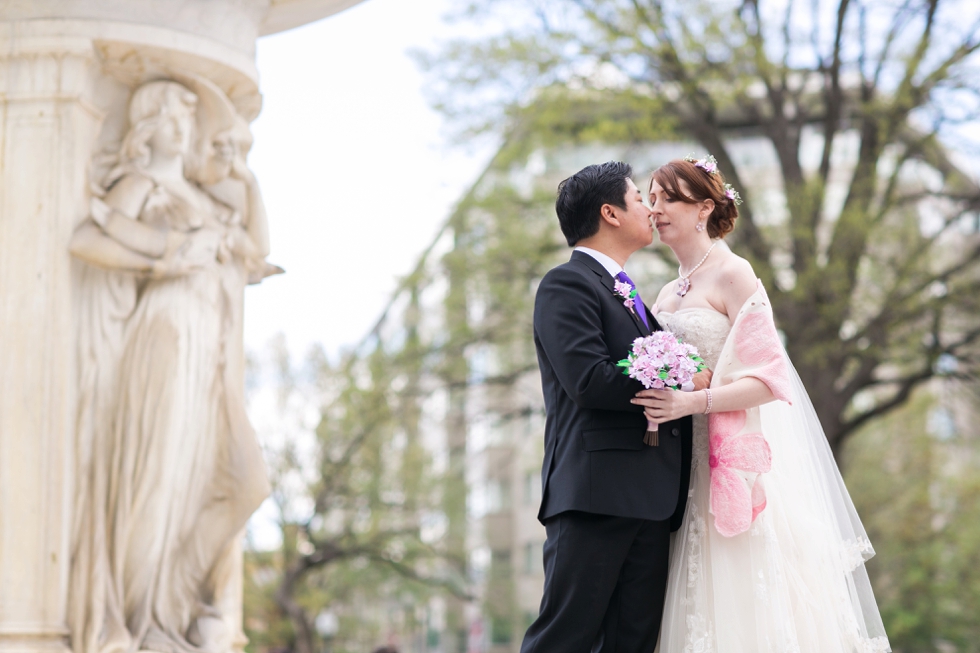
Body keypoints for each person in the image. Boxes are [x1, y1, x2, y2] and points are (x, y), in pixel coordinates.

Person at [633, 155, 890, 652]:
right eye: (652, 197)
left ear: (704, 207)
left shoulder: (734, 273)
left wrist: (692, 402)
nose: (656, 207)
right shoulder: (665, 291)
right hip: (676, 472)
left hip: (729, 464)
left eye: (669, 197)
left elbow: (771, 381)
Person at [68, 79, 271, 653]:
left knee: (242, 481)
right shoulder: (141, 183)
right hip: (164, 335)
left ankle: (172, 606)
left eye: (188, 117)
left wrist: (247, 179)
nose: (184, 127)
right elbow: (87, 238)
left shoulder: (208, 199)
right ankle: (139, 618)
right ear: (147, 125)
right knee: (157, 481)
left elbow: (256, 250)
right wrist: (165, 257)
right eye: (174, 116)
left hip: (210, 352)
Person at [520, 161, 710, 653]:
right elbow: (589, 380)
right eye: (637, 198)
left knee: (632, 643)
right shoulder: (566, 285)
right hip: (594, 496)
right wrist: (681, 376)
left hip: (651, 500)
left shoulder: (629, 294)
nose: (650, 208)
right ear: (609, 213)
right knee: (564, 639)